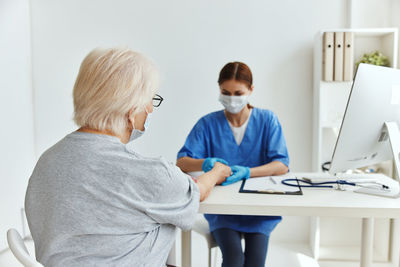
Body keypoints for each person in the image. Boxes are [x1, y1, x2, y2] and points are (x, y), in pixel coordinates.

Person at [25, 47, 231, 267]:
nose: (151, 109)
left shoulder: (47, 161)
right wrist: (217, 172)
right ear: (132, 111)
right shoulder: (152, 175)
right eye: (151, 99)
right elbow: (198, 190)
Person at [176, 62, 289, 267]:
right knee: (234, 260)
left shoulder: (267, 120)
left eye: (238, 93)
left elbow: (281, 164)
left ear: (250, 90)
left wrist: (248, 171)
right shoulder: (207, 124)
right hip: (223, 212)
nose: (231, 98)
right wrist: (205, 162)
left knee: (255, 263)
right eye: (225, 92)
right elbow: (182, 161)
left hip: (258, 211)